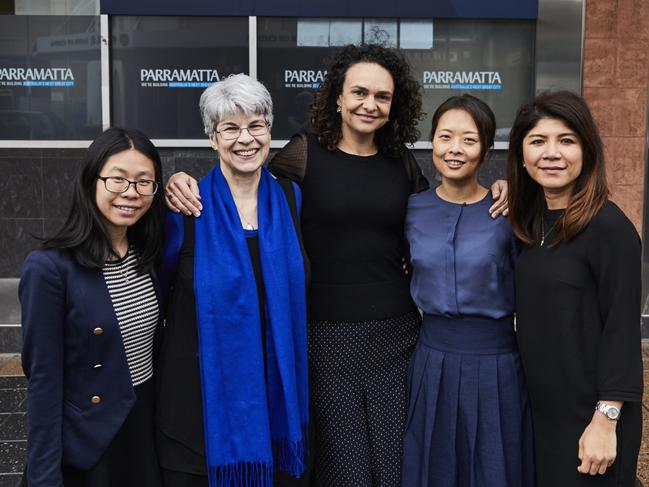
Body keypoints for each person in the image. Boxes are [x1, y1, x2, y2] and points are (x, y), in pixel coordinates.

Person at [165, 45, 508, 486]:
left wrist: (502, 188)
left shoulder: (400, 161)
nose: (370, 104)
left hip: (398, 337)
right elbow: (247, 180)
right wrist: (181, 179)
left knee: (394, 468)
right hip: (325, 338)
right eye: (359, 92)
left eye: (382, 96)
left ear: (393, 104)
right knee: (345, 472)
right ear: (338, 97)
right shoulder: (303, 153)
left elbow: (441, 207)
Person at [155, 73, 309, 487]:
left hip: (280, 398)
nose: (246, 139)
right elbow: (159, 292)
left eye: (256, 125)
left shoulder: (292, 199)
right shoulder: (185, 208)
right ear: (211, 138)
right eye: (230, 128)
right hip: (204, 398)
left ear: (269, 131)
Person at [507, 91, 643, 486]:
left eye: (566, 140)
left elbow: (622, 330)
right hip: (545, 411)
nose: (552, 153)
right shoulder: (533, 223)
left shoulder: (608, 228)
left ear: (587, 150)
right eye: (537, 141)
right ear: (520, 154)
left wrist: (606, 418)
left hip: (592, 416)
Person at [19, 127, 165, 486]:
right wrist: (44, 477)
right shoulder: (50, 268)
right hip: (90, 441)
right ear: (91, 181)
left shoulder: (147, 256)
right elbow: (43, 383)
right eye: (118, 180)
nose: (130, 193)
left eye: (144, 182)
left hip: (143, 430)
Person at [401, 94, 534, 486]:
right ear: (433, 142)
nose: (455, 149)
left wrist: (515, 187)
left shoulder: (510, 211)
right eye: (445, 137)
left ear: (487, 149)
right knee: (433, 464)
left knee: (495, 466)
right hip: (431, 360)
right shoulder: (411, 208)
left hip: (497, 362)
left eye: (469, 139)